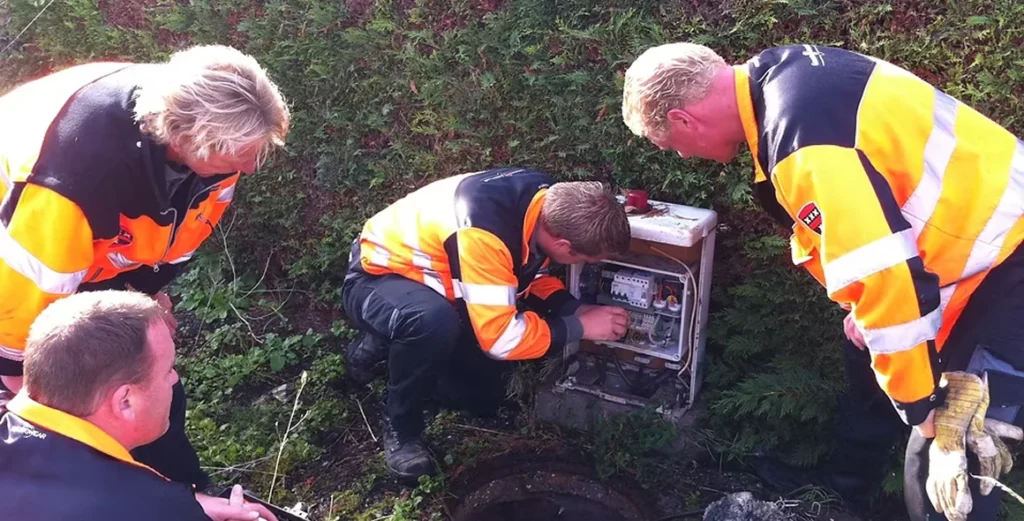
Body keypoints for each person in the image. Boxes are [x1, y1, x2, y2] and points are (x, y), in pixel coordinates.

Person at [621, 43, 1024, 521]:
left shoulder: (800, 140)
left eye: (672, 144)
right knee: (870, 360)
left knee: (946, 465)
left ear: (683, 119)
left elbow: (885, 277)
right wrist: (867, 317)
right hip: (979, 247)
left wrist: (920, 407)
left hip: (1007, 266)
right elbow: (873, 223)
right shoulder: (783, 75)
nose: (685, 155)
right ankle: (848, 491)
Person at [0, 44, 290, 491]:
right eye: (239, 155)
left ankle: (180, 491)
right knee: (76, 416)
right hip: (18, 268)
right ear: (182, 139)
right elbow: (19, 319)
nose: (249, 167)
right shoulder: (74, 181)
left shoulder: (213, 131)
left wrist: (146, 294)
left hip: (76, 248)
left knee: (153, 383)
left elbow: (178, 232)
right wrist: (38, 411)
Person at [341, 167, 632, 482]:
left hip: (440, 284)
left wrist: (575, 309)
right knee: (431, 323)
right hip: (378, 277)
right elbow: (502, 340)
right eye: (586, 260)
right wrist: (581, 328)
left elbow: (528, 274)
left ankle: (395, 342)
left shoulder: (548, 201)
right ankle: (401, 428)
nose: (584, 266)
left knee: (483, 398)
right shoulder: (485, 233)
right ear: (562, 245)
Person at [0, 289, 278, 521]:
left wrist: (192, 503)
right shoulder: (148, 509)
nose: (174, 379)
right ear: (125, 402)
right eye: (168, 369)